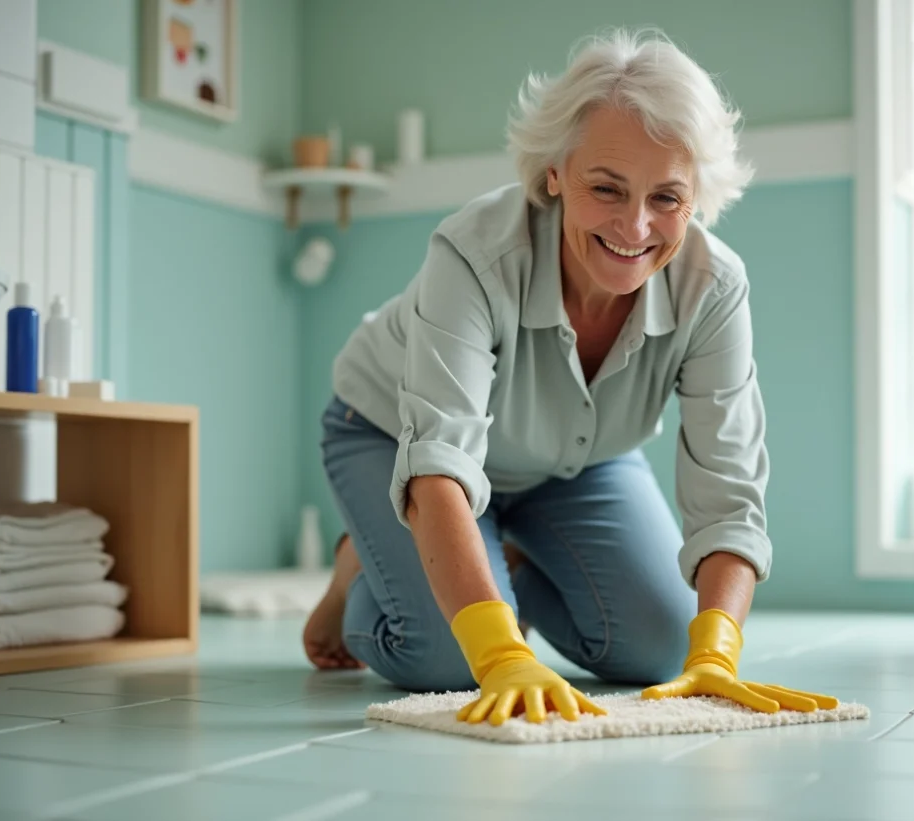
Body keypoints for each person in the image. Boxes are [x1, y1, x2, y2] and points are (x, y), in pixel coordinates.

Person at [304, 27, 836, 727]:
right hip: (393, 435)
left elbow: (729, 490)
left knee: (663, 643)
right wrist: (498, 654)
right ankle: (362, 562)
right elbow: (437, 462)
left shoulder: (715, 287)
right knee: (446, 657)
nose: (635, 226)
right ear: (556, 172)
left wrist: (716, 654)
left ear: (697, 194)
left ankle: (505, 554)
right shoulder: (472, 252)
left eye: (667, 198)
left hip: (577, 460)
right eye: (607, 188)